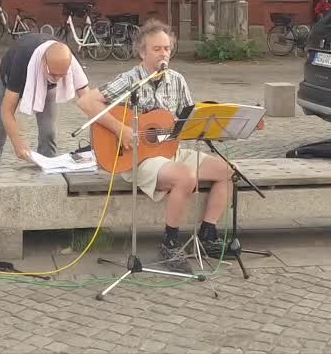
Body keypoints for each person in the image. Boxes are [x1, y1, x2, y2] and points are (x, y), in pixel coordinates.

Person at [92, 20, 233, 270]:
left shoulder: (177, 80)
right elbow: (87, 102)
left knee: (225, 171)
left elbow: (188, 121)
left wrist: (214, 126)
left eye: (167, 48)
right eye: (157, 49)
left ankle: (208, 234)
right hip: (137, 157)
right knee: (184, 177)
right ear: (142, 52)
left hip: (170, 150)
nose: (163, 54)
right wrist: (121, 129)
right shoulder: (130, 80)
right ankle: (169, 243)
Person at [0, 33, 105, 166]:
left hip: (47, 88)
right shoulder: (22, 60)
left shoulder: (70, 60)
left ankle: (49, 173)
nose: (57, 79)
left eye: (62, 76)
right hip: (10, 79)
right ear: (43, 62)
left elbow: (88, 101)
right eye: (53, 74)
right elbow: (7, 110)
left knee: (48, 133)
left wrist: (107, 133)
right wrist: (18, 144)